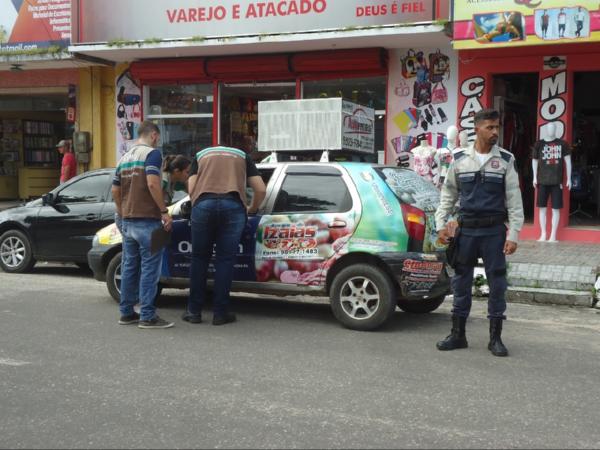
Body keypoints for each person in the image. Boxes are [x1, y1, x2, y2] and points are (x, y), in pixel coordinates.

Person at [434, 109, 524, 357]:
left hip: (494, 232)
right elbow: (448, 194)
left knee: (497, 283)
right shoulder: (460, 158)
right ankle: (458, 334)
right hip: (467, 231)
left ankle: (495, 338)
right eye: (490, 128)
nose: (495, 132)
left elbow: (514, 200)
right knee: (460, 281)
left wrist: (513, 234)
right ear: (477, 129)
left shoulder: (506, 159)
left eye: (497, 127)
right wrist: (441, 224)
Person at [184, 145, 266, 326]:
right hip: (233, 206)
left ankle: (193, 312)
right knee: (225, 260)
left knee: (199, 259)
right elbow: (260, 189)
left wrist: (200, 204)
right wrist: (252, 208)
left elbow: (191, 188)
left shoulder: (200, 155)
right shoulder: (242, 155)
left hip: (203, 205)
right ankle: (220, 313)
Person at [111, 121, 174, 329]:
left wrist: (122, 212)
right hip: (148, 220)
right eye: (158, 137)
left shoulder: (124, 158)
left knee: (130, 266)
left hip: (128, 220)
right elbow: (153, 183)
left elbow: (115, 191)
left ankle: (127, 312)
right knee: (149, 268)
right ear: (154, 135)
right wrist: (164, 211)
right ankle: (147, 315)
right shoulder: (152, 154)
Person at [532, 122, 572, 242]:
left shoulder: (563, 144)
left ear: (556, 129)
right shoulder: (539, 144)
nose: (551, 130)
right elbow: (534, 160)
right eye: (549, 128)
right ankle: (543, 233)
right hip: (542, 181)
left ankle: (553, 235)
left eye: (553, 128)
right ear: (546, 130)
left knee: (556, 208)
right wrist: (534, 177)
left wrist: (569, 178)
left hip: (557, 181)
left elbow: (568, 162)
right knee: (542, 208)